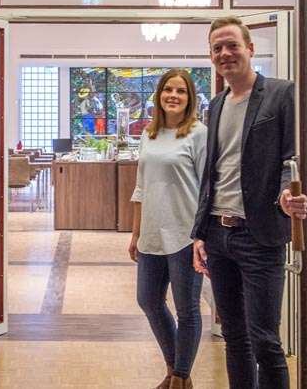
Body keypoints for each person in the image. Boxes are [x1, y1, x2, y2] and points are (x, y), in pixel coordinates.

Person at [191, 16, 307, 389]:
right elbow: (211, 174)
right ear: (211, 56)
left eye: (232, 45)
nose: (225, 53)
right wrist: (199, 234)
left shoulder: (281, 94)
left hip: (258, 235)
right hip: (217, 233)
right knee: (234, 337)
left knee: (265, 340)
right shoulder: (216, 105)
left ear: (250, 49)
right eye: (217, 48)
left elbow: (293, 157)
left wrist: (287, 192)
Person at [129, 68, 207, 389]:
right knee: (148, 300)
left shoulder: (198, 134)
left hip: (185, 235)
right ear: (159, 94)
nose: (173, 95)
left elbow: (207, 189)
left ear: (190, 98)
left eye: (181, 91)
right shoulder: (149, 134)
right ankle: (178, 372)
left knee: (187, 309)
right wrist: (135, 233)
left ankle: (178, 377)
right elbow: (141, 187)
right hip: (151, 234)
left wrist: (203, 235)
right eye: (168, 89)